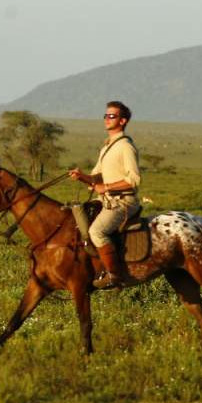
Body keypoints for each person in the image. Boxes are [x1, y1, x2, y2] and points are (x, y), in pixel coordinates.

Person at [67, 101, 141, 288]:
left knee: (96, 231)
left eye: (112, 116)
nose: (107, 119)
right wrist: (82, 177)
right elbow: (96, 177)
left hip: (124, 202)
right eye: (105, 115)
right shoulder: (108, 146)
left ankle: (114, 276)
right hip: (106, 200)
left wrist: (106, 187)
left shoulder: (125, 146)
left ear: (123, 121)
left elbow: (134, 180)